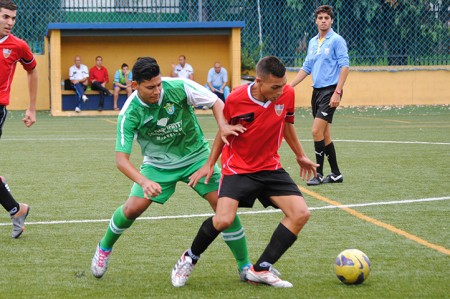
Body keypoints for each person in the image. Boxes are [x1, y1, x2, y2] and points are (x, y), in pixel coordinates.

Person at [90, 57, 251, 282]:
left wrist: (222, 126)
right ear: (135, 86)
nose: (157, 91)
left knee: (223, 207)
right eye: (150, 87)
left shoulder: (179, 87)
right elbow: (121, 160)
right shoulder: (129, 113)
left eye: (158, 84)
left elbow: (216, 101)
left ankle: (245, 266)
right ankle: (104, 248)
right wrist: (144, 182)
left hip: (196, 156)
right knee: (132, 209)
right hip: (158, 164)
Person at [172, 56, 318, 288]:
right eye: (275, 87)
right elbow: (224, 132)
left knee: (300, 214)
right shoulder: (236, 99)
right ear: (259, 81)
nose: (281, 91)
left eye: (283, 85)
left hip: (270, 167)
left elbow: (287, 123)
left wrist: (300, 154)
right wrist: (210, 163)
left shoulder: (287, 93)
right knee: (223, 220)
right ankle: (189, 258)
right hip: (238, 169)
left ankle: (260, 268)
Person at [290, 5, 349, 186]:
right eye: (320, 18)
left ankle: (319, 174)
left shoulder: (337, 40)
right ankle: (336, 174)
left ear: (332, 20)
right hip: (316, 92)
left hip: (330, 90)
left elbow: (344, 66)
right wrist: (289, 86)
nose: (323, 20)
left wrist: (337, 92)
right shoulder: (313, 42)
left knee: (316, 131)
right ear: (316, 20)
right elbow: (307, 67)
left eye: (327, 18)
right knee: (325, 135)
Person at [0, 0, 36, 238]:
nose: (10, 22)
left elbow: (32, 69)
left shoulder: (18, 46)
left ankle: (16, 209)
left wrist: (31, 108)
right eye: (5, 17)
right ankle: (16, 209)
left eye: (13, 18)